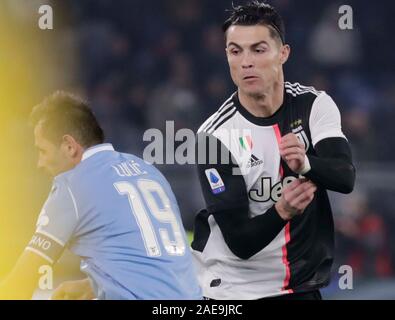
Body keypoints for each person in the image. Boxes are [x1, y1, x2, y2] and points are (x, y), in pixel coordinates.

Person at [192, 1, 355, 300]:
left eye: (258, 49)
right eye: (235, 51)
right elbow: (240, 242)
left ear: (283, 53)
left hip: (300, 286)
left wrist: (306, 163)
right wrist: (283, 210)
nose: (245, 62)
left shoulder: (313, 106)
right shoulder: (213, 137)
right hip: (233, 290)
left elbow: (345, 178)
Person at [0, 91, 202, 300]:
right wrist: (93, 285)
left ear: (69, 146)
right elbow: (148, 260)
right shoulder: (148, 170)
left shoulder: (73, 185)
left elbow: (22, 282)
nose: (39, 164)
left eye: (42, 151)